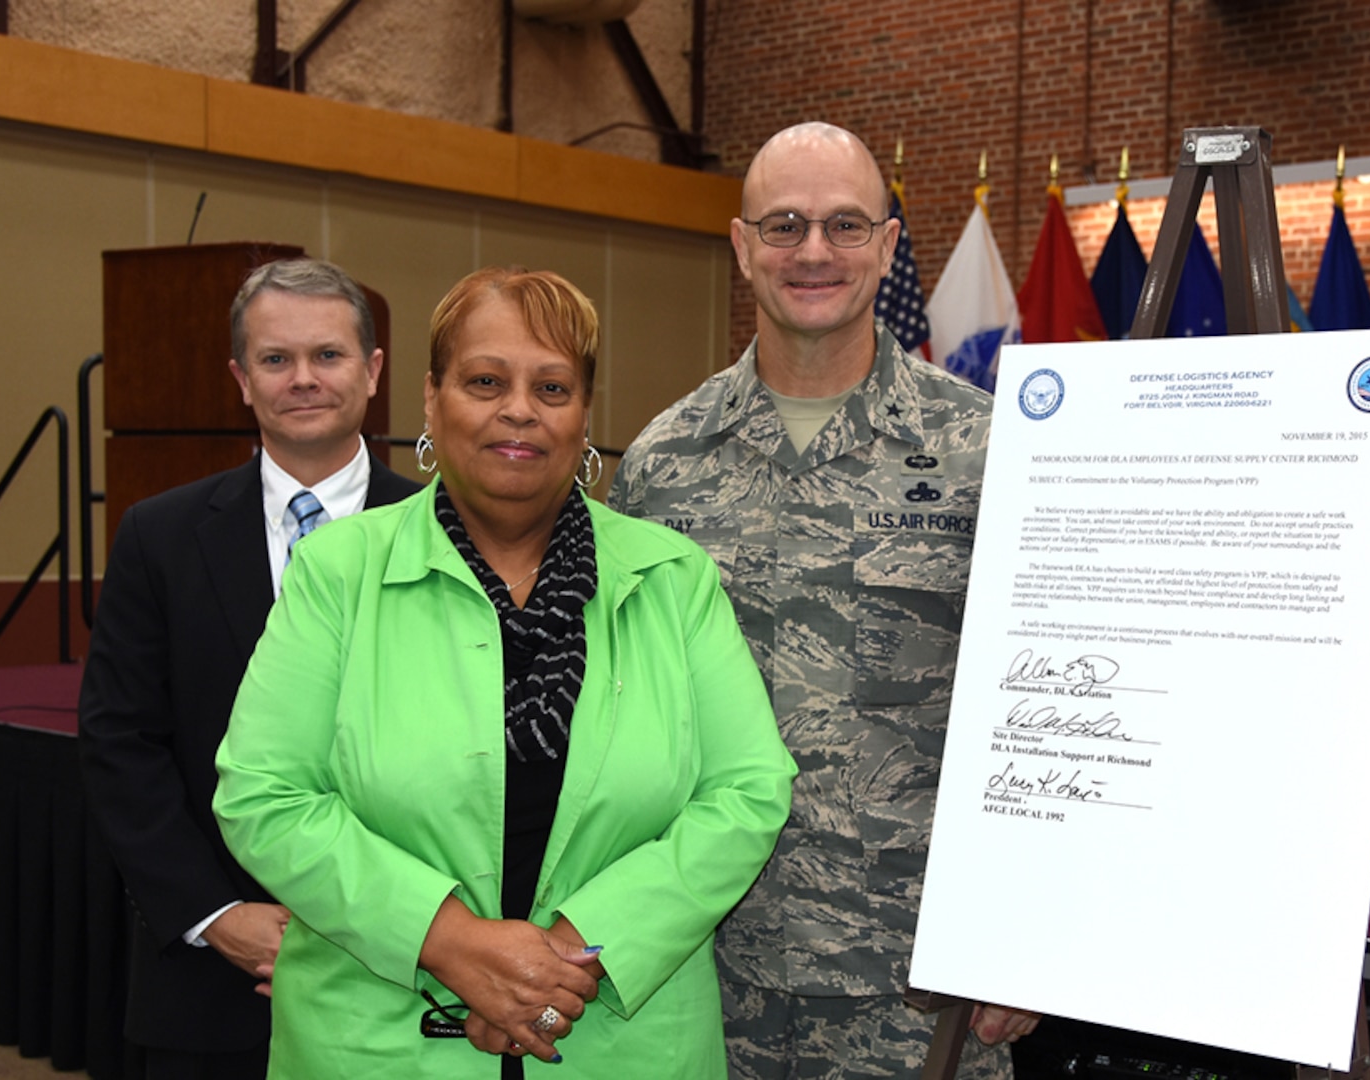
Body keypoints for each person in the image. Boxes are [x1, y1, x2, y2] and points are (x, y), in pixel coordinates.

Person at [211, 266, 797, 1079]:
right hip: (372, 1045)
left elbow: (747, 792)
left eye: (551, 386)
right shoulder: (338, 573)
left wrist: (567, 961)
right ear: (431, 398)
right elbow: (263, 794)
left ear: (584, 414)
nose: (518, 409)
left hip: (623, 1042)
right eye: (485, 381)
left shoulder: (674, 577)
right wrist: (448, 942)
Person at [608, 122, 1040, 1078]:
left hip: (920, 982)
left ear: (887, 246)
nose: (813, 252)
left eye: (846, 225)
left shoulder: (988, 450)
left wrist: (1029, 934)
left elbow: (1043, 713)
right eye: (785, 224)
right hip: (703, 967)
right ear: (740, 244)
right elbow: (620, 712)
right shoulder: (662, 464)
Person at [78, 257, 422, 1079]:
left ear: (374, 371)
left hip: (404, 972)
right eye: (275, 359)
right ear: (241, 379)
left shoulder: (442, 534)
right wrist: (214, 913)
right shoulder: (157, 537)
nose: (302, 378)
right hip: (211, 980)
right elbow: (120, 741)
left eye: (328, 356)